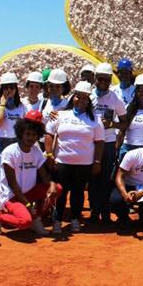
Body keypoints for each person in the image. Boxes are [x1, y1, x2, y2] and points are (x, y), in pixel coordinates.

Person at [44, 81, 105, 234]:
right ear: (73, 98)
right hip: (62, 161)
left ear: (88, 101)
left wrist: (97, 161)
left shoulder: (95, 120)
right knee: (61, 192)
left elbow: (99, 142)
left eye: (85, 98)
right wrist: (49, 154)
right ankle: (57, 220)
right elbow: (49, 133)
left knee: (78, 192)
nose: (81, 100)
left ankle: (75, 219)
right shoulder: (61, 114)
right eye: (78, 97)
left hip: (84, 163)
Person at [0, 111, 62, 236]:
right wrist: (28, 206)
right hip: (12, 196)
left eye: (34, 135)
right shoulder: (10, 152)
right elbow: (12, 184)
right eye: (27, 134)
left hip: (28, 193)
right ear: (21, 133)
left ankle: (36, 219)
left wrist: (51, 184)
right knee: (24, 222)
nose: (30, 138)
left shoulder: (36, 152)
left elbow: (44, 175)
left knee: (58, 189)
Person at [88, 63, 128, 224]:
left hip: (108, 143)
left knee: (105, 181)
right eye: (100, 79)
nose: (103, 82)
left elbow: (124, 123)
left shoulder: (115, 99)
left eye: (107, 79)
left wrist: (112, 125)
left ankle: (105, 214)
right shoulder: (88, 96)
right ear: (95, 79)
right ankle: (93, 212)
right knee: (92, 181)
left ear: (111, 80)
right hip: (89, 144)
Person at [0, 72, 26, 208]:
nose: (9, 90)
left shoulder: (21, 107)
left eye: (12, 87)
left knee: (16, 178)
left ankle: (16, 207)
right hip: (2, 143)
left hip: (17, 144)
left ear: (16, 89)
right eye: (6, 87)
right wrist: (3, 106)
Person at [39, 69, 71, 150]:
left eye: (57, 86)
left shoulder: (68, 106)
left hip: (58, 146)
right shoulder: (44, 102)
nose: (54, 89)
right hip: (42, 143)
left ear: (63, 88)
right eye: (51, 86)